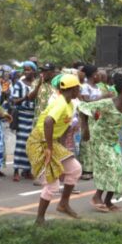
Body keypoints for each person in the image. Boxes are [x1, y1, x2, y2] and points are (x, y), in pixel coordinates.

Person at [26, 73, 82, 224]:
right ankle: (39, 219)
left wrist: (60, 148)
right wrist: (50, 148)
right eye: (79, 88)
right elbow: (48, 122)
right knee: (53, 184)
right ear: (74, 89)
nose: (80, 90)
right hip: (39, 143)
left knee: (75, 169)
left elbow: (62, 127)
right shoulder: (61, 103)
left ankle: (63, 204)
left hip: (50, 142)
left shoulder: (69, 103)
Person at [77, 73, 122, 212]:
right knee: (111, 167)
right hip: (99, 139)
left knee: (119, 170)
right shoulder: (107, 103)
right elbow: (83, 108)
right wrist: (85, 129)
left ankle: (108, 201)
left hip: (113, 141)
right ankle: (96, 197)